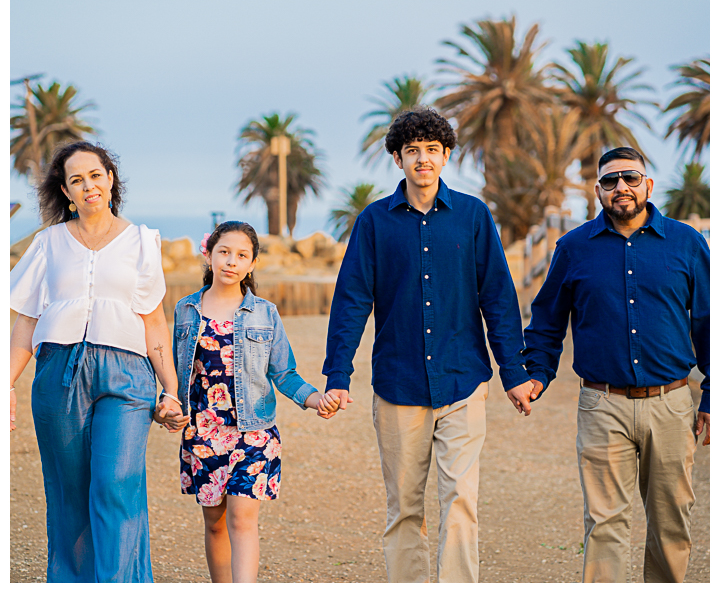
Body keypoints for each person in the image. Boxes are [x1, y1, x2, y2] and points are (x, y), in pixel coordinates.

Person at [322, 108, 537, 583]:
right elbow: (352, 300)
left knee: (461, 499)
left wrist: (515, 375)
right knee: (405, 508)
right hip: (398, 386)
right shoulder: (375, 222)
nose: (423, 159)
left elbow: (498, 299)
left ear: (445, 157)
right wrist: (338, 375)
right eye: (413, 150)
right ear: (397, 158)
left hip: (463, 381)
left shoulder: (474, 217)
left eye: (432, 150)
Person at [523, 146, 710, 583]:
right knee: (605, 524)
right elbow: (547, 319)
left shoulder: (687, 243)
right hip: (601, 405)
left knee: (671, 523)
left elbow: (708, 321)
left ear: (647, 184)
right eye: (610, 181)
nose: (620, 187)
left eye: (629, 178)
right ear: (598, 191)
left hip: (672, 403)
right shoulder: (573, 248)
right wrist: (535, 375)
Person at [9, 141, 188, 583]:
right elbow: (25, 324)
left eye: (95, 174)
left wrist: (170, 390)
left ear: (110, 179)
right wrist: (4, 386)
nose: (88, 185)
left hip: (127, 376)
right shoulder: (48, 243)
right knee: (69, 496)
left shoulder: (142, 242)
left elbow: (155, 325)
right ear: (66, 192)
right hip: (58, 373)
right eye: (76, 180)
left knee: (115, 484)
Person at [172, 220, 338, 583]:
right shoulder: (185, 310)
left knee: (241, 521)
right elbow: (171, 371)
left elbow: (284, 372)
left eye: (241, 255)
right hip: (202, 434)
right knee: (215, 525)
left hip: (254, 434)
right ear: (209, 255)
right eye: (224, 252)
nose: (231, 261)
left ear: (252, 264)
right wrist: (165, 405)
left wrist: (315, 399)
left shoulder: (265, 313)